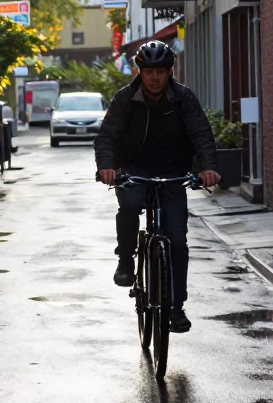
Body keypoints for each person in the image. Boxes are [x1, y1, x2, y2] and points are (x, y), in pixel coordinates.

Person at [94, 40, 221, 333]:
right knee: (128, 206)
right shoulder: (125, 99)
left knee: (177, 240)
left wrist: (209, 168)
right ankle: (125, 260)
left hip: (172, 173)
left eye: (160, 71)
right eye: (149, 71)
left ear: (169, 72)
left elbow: (201, 133)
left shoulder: (184, 98)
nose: (154, 77)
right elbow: (108, 137)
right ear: (140, 71)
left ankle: (176, 309)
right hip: (134, 170)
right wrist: (108, 168)